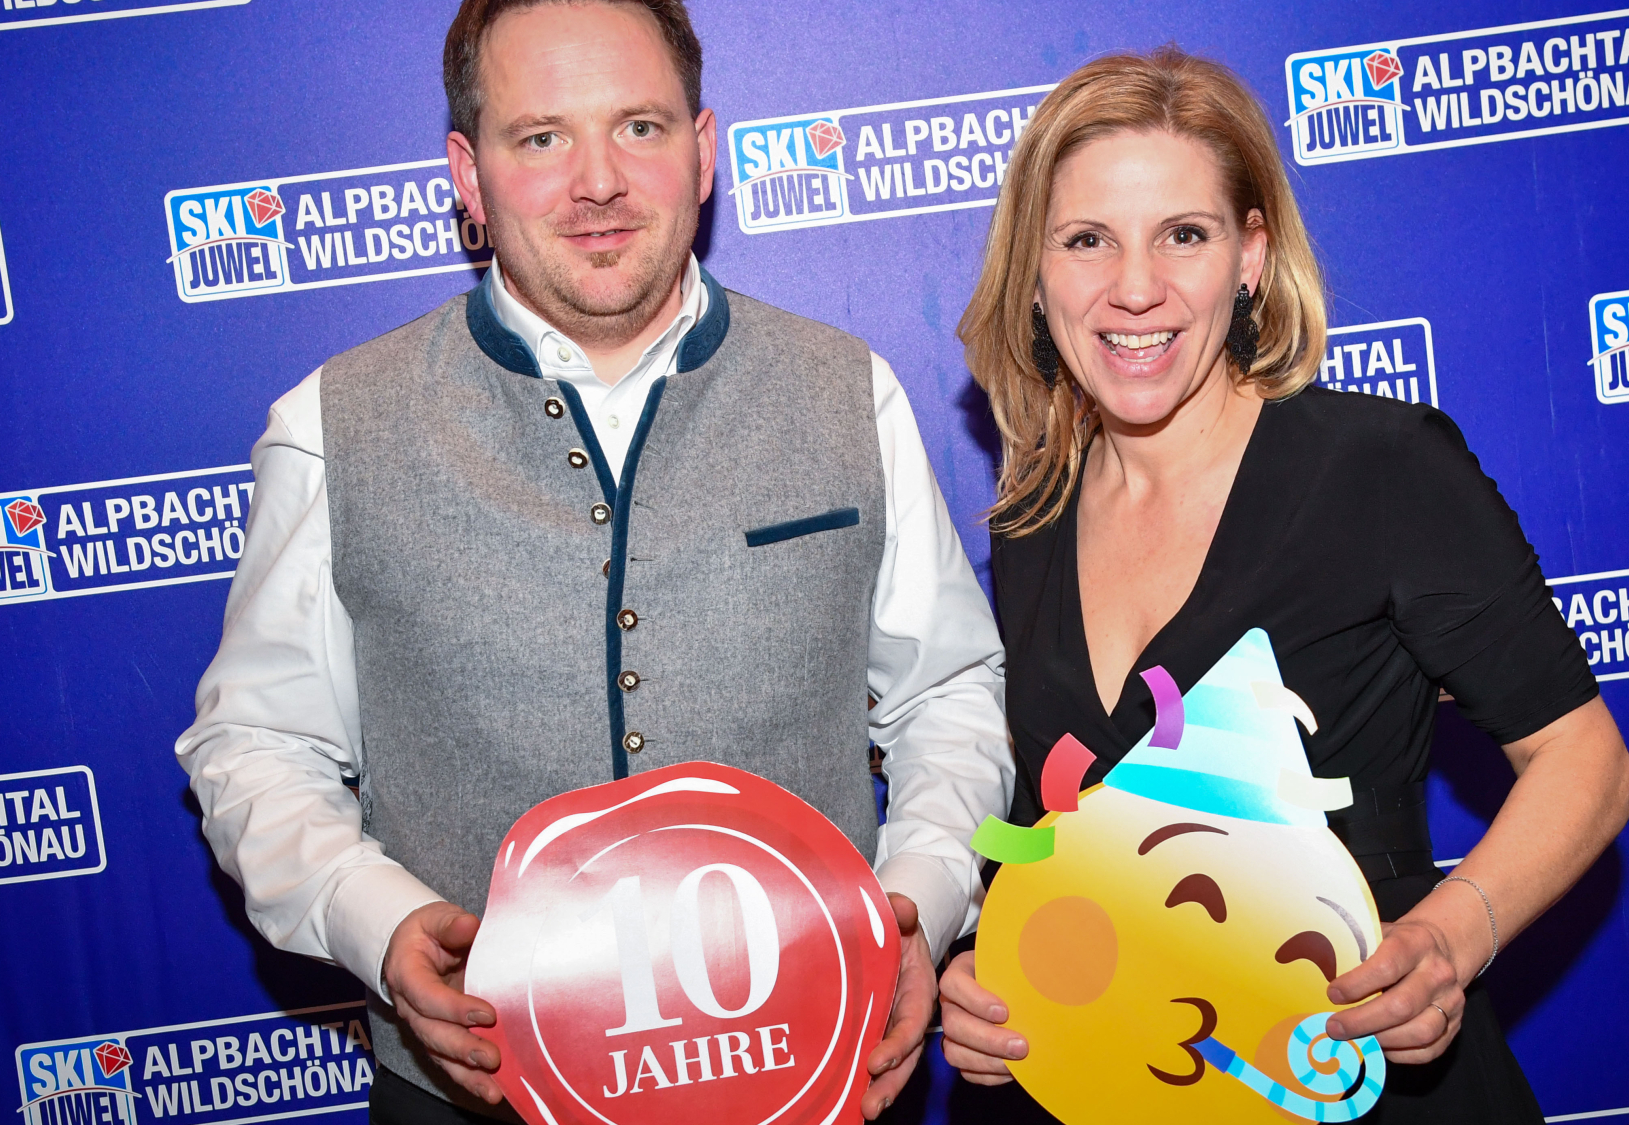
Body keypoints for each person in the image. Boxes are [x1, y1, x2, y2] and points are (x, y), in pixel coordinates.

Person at [174, 2, 1013, 1122]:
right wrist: (369, 919)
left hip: (815, 1074)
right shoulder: (334, 424)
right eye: (541, 138)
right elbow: (257, 741)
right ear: (467, 177)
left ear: (704, 152)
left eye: (639, 128)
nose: (598, 182)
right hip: (472, 1093)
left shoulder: (845, 390)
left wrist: (909, 908)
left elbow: (945, 696)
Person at [937, 47, 1629, 1122]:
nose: (1135, 287)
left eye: (1185, 234)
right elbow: (1056, 831)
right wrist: (992, 976)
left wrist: (1449, 940)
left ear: (1250, 257)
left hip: (1362, 1073)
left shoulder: (1380, 466)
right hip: (1125, 1084)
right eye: (1087, 240)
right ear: (1034, 272)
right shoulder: (1029, 521)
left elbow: (1581, 758)